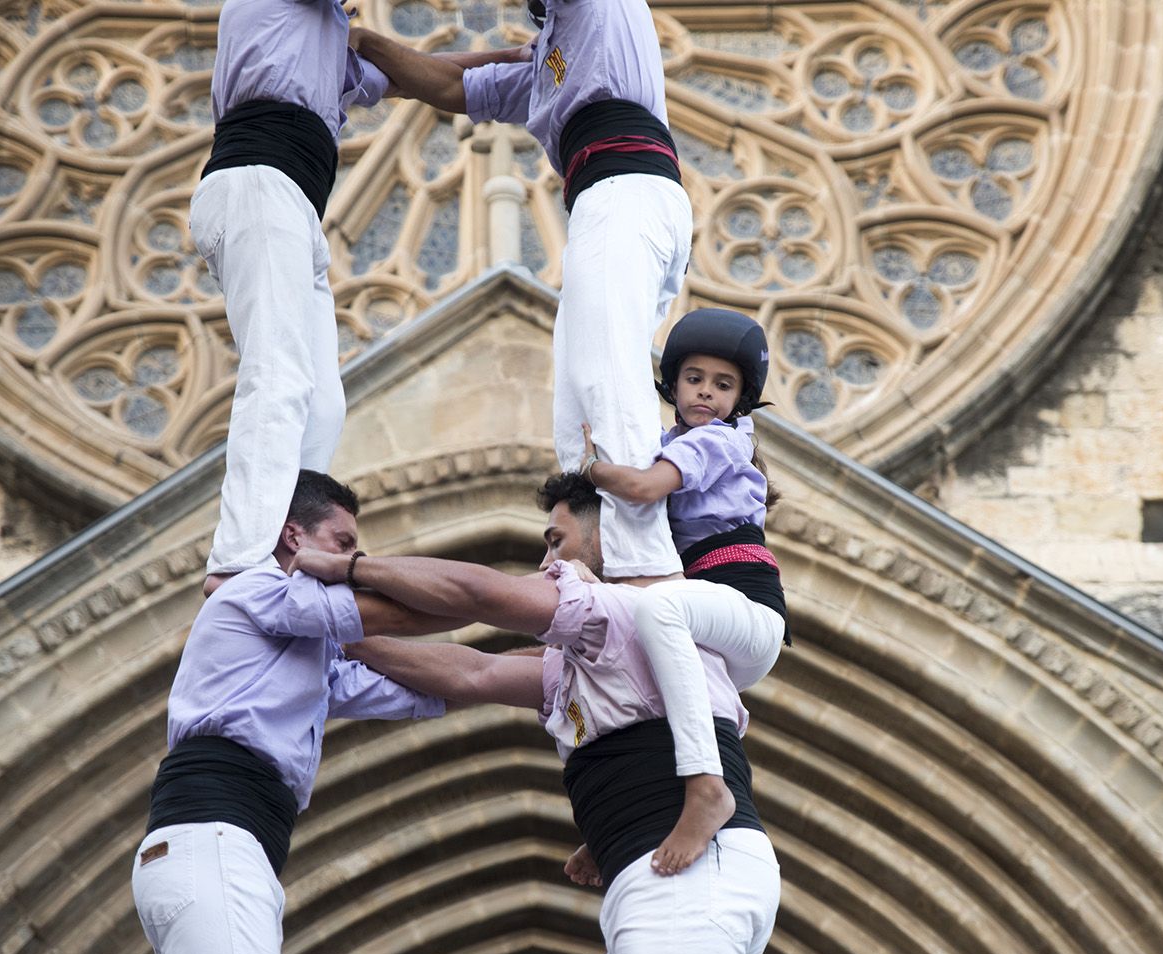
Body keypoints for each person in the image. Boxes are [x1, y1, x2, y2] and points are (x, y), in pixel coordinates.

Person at [291, 473, 781, 954]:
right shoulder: (591, 657)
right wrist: (346, 639)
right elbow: (470, 673)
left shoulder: (616, 611)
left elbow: (480, 595)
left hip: (691, 871)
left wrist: (348, 571)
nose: (546, 560)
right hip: (662, 870)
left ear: (616, 539)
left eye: (557, 541)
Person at [352, 0, 693, 580]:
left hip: (627, 189)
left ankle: (645, 569)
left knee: (607, 376)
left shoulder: (600, 11)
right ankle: (591, 552)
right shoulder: (549, 62)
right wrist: (362, 41)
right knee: (576, 404)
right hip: (601, 199)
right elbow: (448, 85)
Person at [131, 470, 455, 954]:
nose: (354, 558)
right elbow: (400, 616)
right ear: (292, 537)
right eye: (343, 542)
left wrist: (552, 659)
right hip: (215, 840)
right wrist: (527, 602)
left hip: (225, 848)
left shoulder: (303, 652)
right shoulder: (257, 590)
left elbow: (431, 682)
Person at [197, 0, 524, 589]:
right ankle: (238, 560)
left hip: (295, 208)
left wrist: (512, 56)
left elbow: (414, 73)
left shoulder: (324, 39)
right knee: (278, 377)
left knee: (322, 404)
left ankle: (288, 546)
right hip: (257, 183)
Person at [577, 308, 788, 876]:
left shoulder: (718, 442)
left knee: (657, 608)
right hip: (712, 626)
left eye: (724, 385)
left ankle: (708, 789)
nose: (706, 393)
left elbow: (643, 489)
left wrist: (589, 469)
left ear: (740, 400)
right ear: (673, 383)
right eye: (695, 379)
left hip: (747, 611)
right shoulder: (672, 440)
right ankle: (635, 814)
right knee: (629, 674)